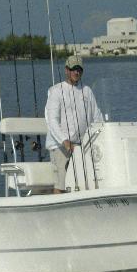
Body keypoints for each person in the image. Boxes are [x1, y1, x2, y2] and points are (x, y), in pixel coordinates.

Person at [44, 55, 103, 193]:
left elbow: (97, 117)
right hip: (60, 145)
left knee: (87, 183)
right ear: (66, 70)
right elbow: (51, 120)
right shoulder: (56, 91)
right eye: (73, 69)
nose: (76, 72)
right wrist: (64, 141)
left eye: (79, 70)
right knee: (62, 184)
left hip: (82, 146)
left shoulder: (87, 91)